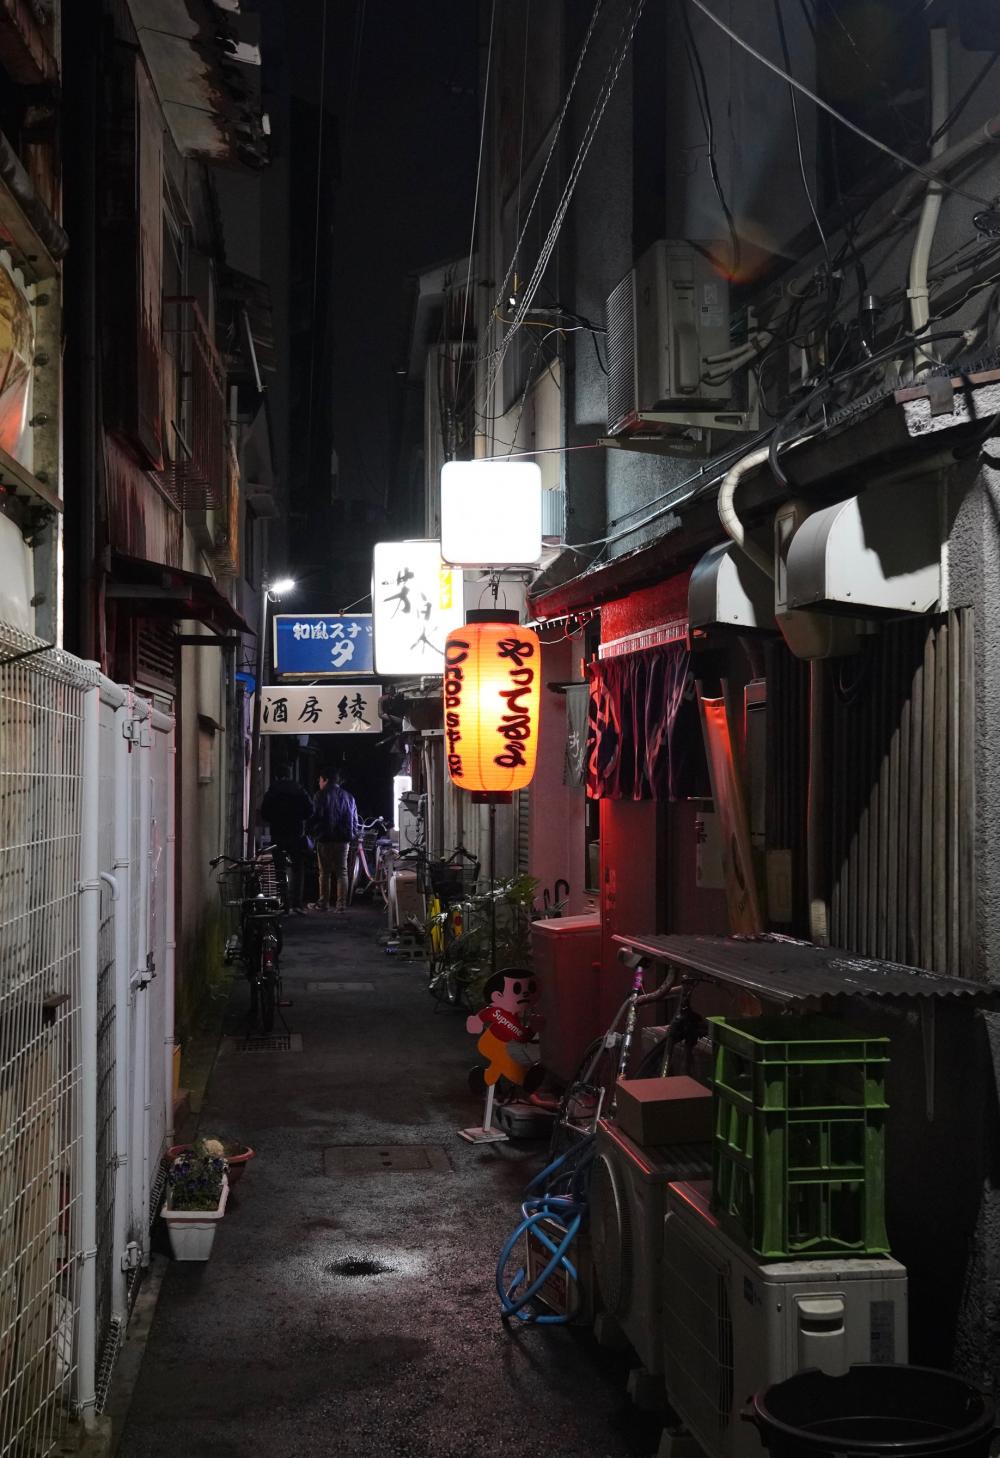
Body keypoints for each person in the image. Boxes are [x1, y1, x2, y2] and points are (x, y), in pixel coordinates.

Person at [260, 766, 314, 914]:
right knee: (298, 868)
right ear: (291, 775)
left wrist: (274, 819)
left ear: (277, 776)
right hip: (296, 833)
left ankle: (284, 903)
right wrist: (299, 818)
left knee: (279, 869)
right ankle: (297, 903)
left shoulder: (273, 791)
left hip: (278, 833)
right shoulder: (299, 790)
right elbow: (310, 810)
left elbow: (264, 812)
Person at [308, 767, 360, 913]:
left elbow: (315, 816)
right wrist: (352, 835)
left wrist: (312, 833)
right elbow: (354, 820)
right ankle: (341, 905)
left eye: (319, 780)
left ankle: (323, 903)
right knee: (342, 872)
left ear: (325, 780)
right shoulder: (349, 797)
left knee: (324, 872)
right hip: (343, 840)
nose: (319, 783)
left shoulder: (320, 795)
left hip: (324, 839)